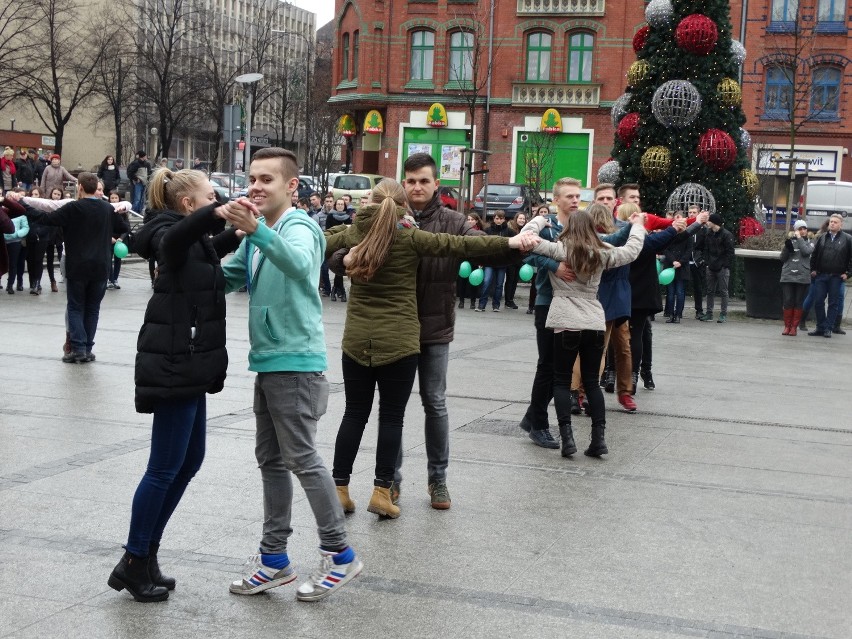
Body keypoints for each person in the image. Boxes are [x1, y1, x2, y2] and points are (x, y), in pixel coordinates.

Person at [324, 178, 533, 519]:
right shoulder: (411, 237)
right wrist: (511, 241)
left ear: (371, 203)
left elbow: (316, 243)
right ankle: (381, 491)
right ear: (402, 206)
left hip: (357, 341)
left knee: (353, 413)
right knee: (392, 418)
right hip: (401, 341)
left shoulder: (352, 234)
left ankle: (339, 489)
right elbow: (459, 247)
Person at [219, 147, 363, 602]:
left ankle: (340, 555)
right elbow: (226, 277)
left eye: (267, 179)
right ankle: (274, 559)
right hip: (269, 361)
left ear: (291, 186)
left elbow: (301, 265)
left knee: (302, 459)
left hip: (296, 364)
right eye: (253, 178)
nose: (256, 186)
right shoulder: (256, 233)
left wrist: (256, 230)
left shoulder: (299, 226)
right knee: (272, 460)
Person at [108, 168, 241, 603]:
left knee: (189, 461)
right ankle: (133, 558)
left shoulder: (194, 239)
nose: (217, 198)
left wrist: (238, 230)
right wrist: (221, 213)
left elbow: (205, 252)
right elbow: (175, 243)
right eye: (210, 195)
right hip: (172, 362)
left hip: (188, 362)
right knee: (164, 467)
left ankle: (146, 554)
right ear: (189, 204)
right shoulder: (169, 232)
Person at [524, 207, 646, 457]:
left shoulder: (560, 250)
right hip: (593, 322)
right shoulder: (600, 253)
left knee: (561, 379)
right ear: (591, 229)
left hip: (565, 320)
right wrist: (638, 226)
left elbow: (528, 240)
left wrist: (537, 221)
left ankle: (567, 437)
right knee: (592, 382)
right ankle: (598, 439)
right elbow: (631, 251)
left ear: (568, 228)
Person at [11, 173, 126, 362]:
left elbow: (44, 218)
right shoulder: (107, 208)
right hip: (101, 266)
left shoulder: (73, 207)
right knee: (92, 308)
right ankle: (88, 348)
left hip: (77, 265)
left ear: (79, 187)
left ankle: (78, 348)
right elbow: (123, 226)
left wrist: (22, 205)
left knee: (75, 306)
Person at [519, 177, 583, 448]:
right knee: (547, 364)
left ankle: (532, 417)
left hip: (572, 301)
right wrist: (553, 265)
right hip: (548, 300)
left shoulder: (580, 227)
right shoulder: (548, 227)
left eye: (578, 196)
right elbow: (525, 251)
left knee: (560, 365)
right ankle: (539, 426)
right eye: (569, 196)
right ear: (556, 200)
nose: (575, 200)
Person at [808, 214, 852, 338]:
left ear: (841, 225)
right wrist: (813, 269)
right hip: (821, 275)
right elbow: (815, 255)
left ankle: (828, 328)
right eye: (831, 222)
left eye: (835, 222)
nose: (832, 224)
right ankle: (820, 327)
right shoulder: (822, 238)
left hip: (836, 277)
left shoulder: (847, 239)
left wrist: (848, 273)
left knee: (833, 303)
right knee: (818, 302)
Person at [696, 213, 735, 323]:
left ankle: (723, 313)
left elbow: (730, 252)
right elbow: (705, 249)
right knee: (710, 291)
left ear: (714, 222)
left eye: (709, 221)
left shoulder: (727, 235)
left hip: (722, 267)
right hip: (711, 266)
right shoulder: (708, 234)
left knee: (723, 291)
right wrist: (707, 262)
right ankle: (709, 313)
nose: (707, 222)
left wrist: (724, 265)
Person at [780, 220, 814, 336]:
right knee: (788, 300)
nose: (802, 231)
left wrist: (799, 239)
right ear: (795, 230)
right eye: (800, 229)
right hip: (788, 275)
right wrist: (787, 248)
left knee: (798, 301)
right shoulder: (790, 241)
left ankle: (794, 327)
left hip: (802, 275)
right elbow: (782, 258)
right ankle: (787, 326)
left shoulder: (810, 242)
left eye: (804, 228)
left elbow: (806, 251)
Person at [477, 211, 514, 312]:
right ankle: (481, 305)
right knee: (486, 281)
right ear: (493, 219)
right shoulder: (488, 230)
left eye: (501, 218)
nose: (499, 220)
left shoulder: (509, 231)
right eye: (497, 218)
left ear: (504, 219)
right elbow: (483, 245)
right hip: (489, 261)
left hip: (502, 262)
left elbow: (514, 244)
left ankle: (496, 305)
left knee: (499, 284)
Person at [324, 197, 352, 301]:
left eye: (342, 204)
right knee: (336, 267)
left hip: (343, 245)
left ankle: (335, 289)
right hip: (333, 243)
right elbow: (329, 230)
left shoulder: (348, 218)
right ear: (335, 206)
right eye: (338, 204)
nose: (340, 206)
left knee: (339, 269)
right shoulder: (330, 216)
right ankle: (340, 290)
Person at [457, 213, 484, 310]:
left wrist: (481, 261)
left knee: (473, 281)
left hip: (475, 258)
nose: (470, 221)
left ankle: (473, 301)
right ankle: (461, 301)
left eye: (472, 219)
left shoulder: (480, 232)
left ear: (476, 221)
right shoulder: (462, 231)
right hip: (464, 259)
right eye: (468, 219)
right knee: (462, 281)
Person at [504, 212, 527, 309]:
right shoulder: (511, 230)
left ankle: (511, 299)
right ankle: (508, 300)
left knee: (515, 280)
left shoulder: (526, 229)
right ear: (516, 219)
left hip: (520, 259)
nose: (522, 220)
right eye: (520, 218)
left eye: (523, 219)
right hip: (511, 258)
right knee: (510, 279)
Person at [3, 205, 28, 293]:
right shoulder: (3, 211)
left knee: (13, 264)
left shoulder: (21, 214)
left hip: (15, 242)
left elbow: (25, 227)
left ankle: (10, 285)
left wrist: (16, 234)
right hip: (3, 241)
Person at [108, 191, 129, 289]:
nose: (114, 200)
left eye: (116, 198)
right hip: (109, 239)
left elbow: (126, 227)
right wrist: (109, 237)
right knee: (108, 259)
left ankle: (115, 279)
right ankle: (110, 280)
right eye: (112, 198)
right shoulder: (107, 210)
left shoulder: (123, 212)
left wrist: (121, 238)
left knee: (117, 260)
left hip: (119, 240)